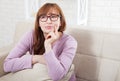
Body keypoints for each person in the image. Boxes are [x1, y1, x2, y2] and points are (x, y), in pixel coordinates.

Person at [3, 3, 77, 81]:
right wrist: (36, 58)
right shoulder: (31, 35)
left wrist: (48, 46)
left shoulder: (70, 42)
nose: (48, 21)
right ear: (38, 23)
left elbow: (58, 76)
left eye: (53, 17)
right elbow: (7, 65)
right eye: (43, 17)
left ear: (61, 21)